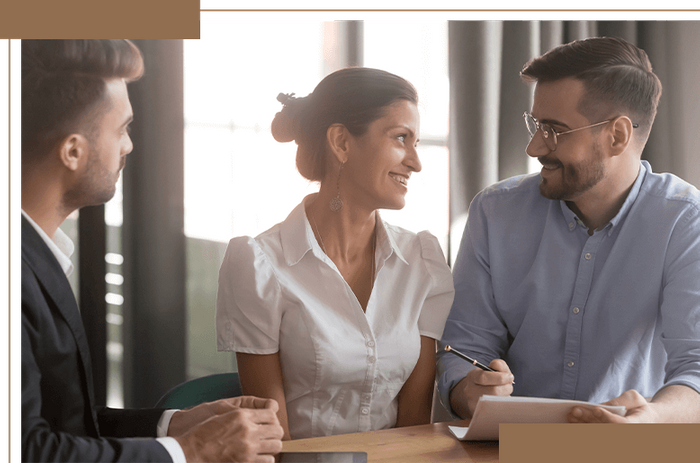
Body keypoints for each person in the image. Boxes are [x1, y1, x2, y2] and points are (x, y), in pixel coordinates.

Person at [19, 39, 284, 462]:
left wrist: (175, 427)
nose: (128, 146)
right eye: (122, 129)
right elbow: (27, 451)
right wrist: (193, 452)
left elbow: (63, 425)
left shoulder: (36, 253)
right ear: (72, 151)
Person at [437, 36, 700, 424]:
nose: (533, 147)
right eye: (536, 124)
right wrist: (467, 390)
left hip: (628, 450)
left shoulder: (684, 221)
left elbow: (695, 365)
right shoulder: (494, 212)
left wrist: (651, 420)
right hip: (508, 448)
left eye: (553, 130)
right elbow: (463, 346)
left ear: (617, 135)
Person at [216, 67, 455, 440]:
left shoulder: (422, 260)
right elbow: (274, 440)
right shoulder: (259, 264)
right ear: (341, 142)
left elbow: (413, 428)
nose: (415, 161)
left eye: (416, 142)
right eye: (400, 138)